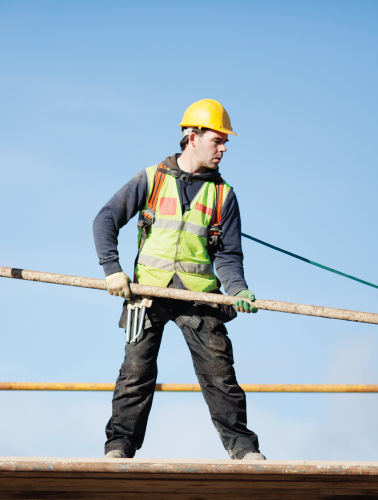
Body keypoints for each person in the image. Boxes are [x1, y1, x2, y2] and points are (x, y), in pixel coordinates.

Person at [93, 99, 265, 460]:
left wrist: (238, 290)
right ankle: (119, 445)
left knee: (220, 375)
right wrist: (112, 270)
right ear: (192, 136)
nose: (223, 148)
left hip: (200, 298)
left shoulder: (224, 196)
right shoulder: (151, 179)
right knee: (135, 371)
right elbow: (106, 219)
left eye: (225, 142)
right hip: (147, 293)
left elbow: (228, 256)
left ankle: (244, 449)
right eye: (217, 140)